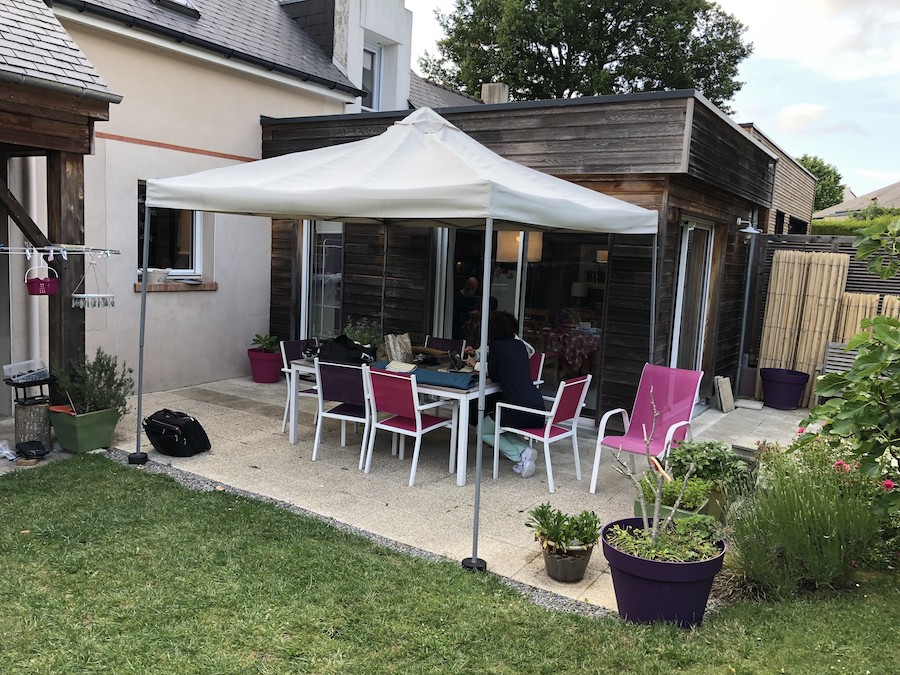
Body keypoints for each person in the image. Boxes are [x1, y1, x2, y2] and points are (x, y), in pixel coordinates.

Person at [471, 310, 545, 478]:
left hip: (517, 409)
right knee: (498, 424)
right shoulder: (520, 346)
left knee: (482, 429)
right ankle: (525, 450)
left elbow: (495, 376)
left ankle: (519, 456)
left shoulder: (497, 347)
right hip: (537, 408)